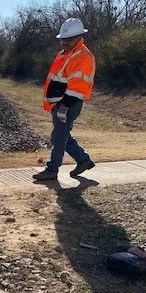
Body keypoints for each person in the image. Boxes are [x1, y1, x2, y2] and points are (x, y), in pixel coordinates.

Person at [33, 18, 96, 181]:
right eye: (63, 39)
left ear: (78, 37)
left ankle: (52, 170)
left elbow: (78, 86)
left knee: (59, 137)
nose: (64, 42)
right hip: (59, 102)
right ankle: (84, 160)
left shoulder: (83, 56)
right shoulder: (66, 54)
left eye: (69, 39)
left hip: (68, 103)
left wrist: (64, 107)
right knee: (61, 136)